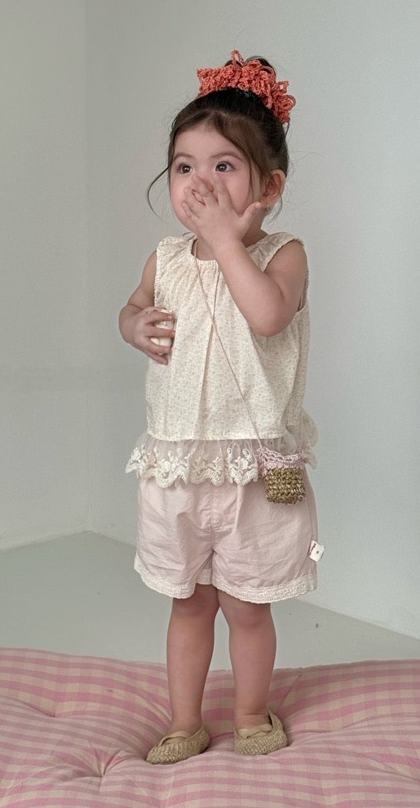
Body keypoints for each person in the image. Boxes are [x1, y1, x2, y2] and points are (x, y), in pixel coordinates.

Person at [119, 51, 320, 763]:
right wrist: (133, 324)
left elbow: (267, 316)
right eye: (184, 167)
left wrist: (228, 241)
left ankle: (252, 712)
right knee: (189, 601)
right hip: (179, 465)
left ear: (270, 185)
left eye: (224, 166)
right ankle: (185, 722)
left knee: (247, 603)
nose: (199, 183)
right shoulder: (167, 259)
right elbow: (133, 307)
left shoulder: (283, 256)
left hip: (259, 469)